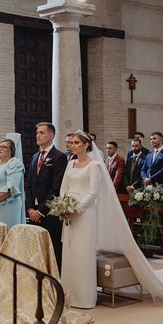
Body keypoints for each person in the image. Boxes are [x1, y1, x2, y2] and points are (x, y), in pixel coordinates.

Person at [59, 131, 102, 309]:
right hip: (68, 212)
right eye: (72, 142)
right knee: (69, 252)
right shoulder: (70, 163)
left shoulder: (94, 166)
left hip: (85, 214)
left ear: (86, 145)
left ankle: (84, 297)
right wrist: (63, 206)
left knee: (83, 253)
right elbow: (63, 187)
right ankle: (69, 294)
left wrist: (76, 209)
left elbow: (93, 192)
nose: (73, 145)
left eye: (77, 142)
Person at [25, 122, 68, 270]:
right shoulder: (35, 156)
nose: (37, 135)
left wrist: (40, 211)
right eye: (37, 132)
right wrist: (30, 208)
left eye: (42, 132)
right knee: (35, 249)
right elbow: (29, 184)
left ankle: (54, 281)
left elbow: (56, 188)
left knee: (53, 248)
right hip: (33, 212)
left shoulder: (59, 157)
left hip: (49, 212)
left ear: (51, 135)